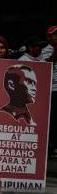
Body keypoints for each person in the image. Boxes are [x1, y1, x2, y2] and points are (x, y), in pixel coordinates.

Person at [40, 26, 57, 156]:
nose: (56, 37)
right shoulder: (45, 51)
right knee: (51, 120)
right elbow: (43, 66)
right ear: (48, 37)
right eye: (53, 35)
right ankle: (50, 147)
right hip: (51, 90)